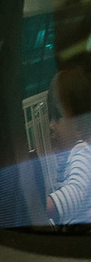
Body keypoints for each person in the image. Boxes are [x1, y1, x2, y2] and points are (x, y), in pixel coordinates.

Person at [46, 67, 91, 224]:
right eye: (50, 118)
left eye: (57, 116)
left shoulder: (83, 153)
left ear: (78, 124)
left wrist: (43, 206)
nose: (51, 125)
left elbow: (76, 191)